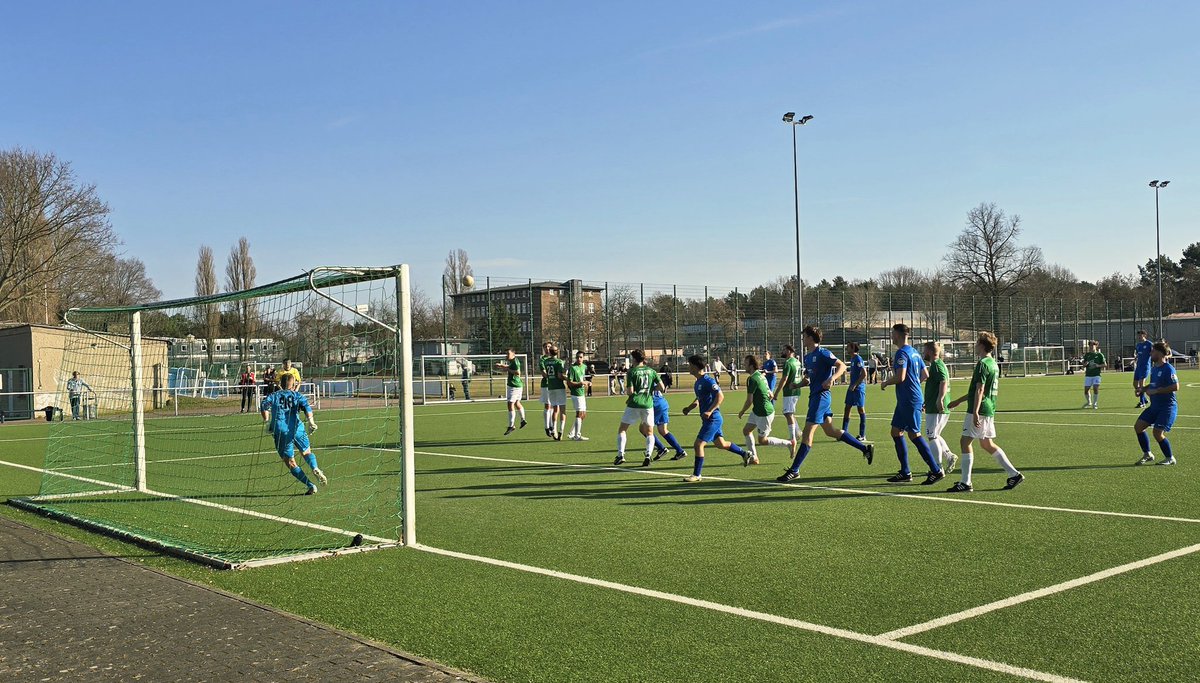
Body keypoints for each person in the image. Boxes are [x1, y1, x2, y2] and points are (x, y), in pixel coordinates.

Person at [774, 328, 875, 482]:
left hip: (821, 397)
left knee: (807, 434)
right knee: (831, 431)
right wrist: (797, 385)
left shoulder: (823, 353)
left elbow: (841, 366)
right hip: (814, 397)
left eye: (805, 337)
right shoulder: (808, 357)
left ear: (811, 338)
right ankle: (865, 449)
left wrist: (832, 378)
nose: (803, 339)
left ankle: (794, 470)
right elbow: (808, 378)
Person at [946, 332, 1023, 492]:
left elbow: (980, 390)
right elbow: (979, 390)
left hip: (980, 409)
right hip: (989, 408)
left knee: (965, 442)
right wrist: (959, 401)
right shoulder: (993, 364)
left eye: (976, 343)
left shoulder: (982, 364)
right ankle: (1014, 474)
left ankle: (965, 482)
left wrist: (974, 412)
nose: (975, 346)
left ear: (981, 345)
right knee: (987, 443)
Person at [878, 324, 944, 485]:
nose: (891, 337)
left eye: (892, 334)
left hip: (909, 400)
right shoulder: (914, 352)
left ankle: (936, 470)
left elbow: (900, 377)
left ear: (898, 335)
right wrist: (914, 384)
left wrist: (886, 382)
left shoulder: (902, 353)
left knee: (914, 434)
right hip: (907, 399)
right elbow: (925, 374)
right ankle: (905, 471)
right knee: (895, 432)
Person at [681, 354, 751, 481]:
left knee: (698, 445)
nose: (688, 367)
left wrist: (709, 411)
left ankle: (697, 475)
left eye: (690, 365)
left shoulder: (708, 381)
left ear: (696, 366)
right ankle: (744, 453)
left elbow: (720, 396)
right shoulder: (698, 382)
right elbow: (699, 399)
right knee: (721, 444)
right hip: (710, 419)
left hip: (713, 418)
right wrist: (689, 408)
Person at [259, 373, 326, 494]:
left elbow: (263, 406)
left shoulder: (273, 395)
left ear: (280, 384)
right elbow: (307, 408)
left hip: (281, 431)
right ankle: (314, 467)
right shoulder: (298, 395)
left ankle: (310, 485)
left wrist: (267, 421)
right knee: (306, 452)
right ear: (294, 384)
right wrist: (311, 422)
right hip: (297, 428)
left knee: (290, 462)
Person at [736, 355, 792, 465]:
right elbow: (770, 394)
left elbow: (749, 400)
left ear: (751, 366)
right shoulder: (761, 376)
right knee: (746, 430)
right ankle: (754, 458)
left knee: (762, 440)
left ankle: (788, 444)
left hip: (764, 413)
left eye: (746, 363)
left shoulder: (752, 379)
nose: (744, 365)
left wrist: (742, 411)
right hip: (758, 410)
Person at [614, 349, 662, 468]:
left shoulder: (632, 372)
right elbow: (662, 387)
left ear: (634, 359)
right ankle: (648, 455)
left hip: (634, 403)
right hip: (648, 404)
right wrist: (649, 391)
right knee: (650, 432)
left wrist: (632, 393)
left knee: (622, 429)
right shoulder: (651, 371)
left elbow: (630, 392)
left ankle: (621, 455)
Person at [1134, 341, 1179, 466]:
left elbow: (1176, 386)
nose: (1150, 353)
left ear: (1159, 353)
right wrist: (1142, 389)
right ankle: (1147, 454)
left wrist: (1157, 391)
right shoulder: (1154, 369)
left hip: (1167, 408)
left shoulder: (1168, 368)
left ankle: (1170, 458)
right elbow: (1153, 385)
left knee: (1157, 433)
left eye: (1152, 351)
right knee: (1138, 427)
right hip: (1154, 407)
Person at [923, 341, 957, 473]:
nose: (923, 353)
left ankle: (937, 466)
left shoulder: (936, 365)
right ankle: (949, 456)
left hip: (937, 407)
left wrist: (939, 400)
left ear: (930, 352)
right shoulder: (938, 364)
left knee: (931, 436)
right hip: (935, 405)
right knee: (935, 434)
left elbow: (943, 381)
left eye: (924, 350)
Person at [651, 383, 688, 460]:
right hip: (662, 403)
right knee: (663, 430)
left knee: (644, 429)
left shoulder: (641, 377)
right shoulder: (652, 375)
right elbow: (662, 387)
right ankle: (680, 451)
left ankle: (661, 448)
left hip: (655, 404)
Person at [841, 342, 867, 440]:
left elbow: (864, 373)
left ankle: (862, 435)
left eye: (848, 347)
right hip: (852, 388)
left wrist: (856, 384)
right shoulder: (852, 359)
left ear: (853, 348)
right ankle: (844, 433)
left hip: (858, 388)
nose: (846, 349)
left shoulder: (858, 359)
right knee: (847, 408)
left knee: (860, 409)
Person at [497, 349, 527, 435]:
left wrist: (507, 370)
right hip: (517, 385)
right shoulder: (514, 361)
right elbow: (510, 368)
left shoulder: (515, 362)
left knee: (510, 404)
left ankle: (511, 425)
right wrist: (502, 366)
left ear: (513, 354)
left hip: (514, 386)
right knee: (517, 403)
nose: (506, 355)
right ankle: (523, 420)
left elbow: (517, 372)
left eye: (508, 354)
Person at [566, 351, 591, 441]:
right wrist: (580, 383)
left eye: (580, 357)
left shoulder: (584, 367)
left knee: (583, 414)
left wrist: (587, 382)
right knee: (579, 413)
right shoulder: (573, 368)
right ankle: (577, 435)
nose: (579, 359)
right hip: (576, 393)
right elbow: (569, 382)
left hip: (582, 392)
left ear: (583, 358)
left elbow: (582, 378)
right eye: (577, 357)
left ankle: (572, 433)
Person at [545, 345, 568, 440]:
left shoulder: (546, 361)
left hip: (551, 387)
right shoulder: (559, 362)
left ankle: (553, 430)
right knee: (562, 410)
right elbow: (559, 375)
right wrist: (567, 378)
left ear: (550, 352)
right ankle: (561, 431)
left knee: (555, 409)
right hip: (559, 387)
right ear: (557, 352)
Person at [1081, 340, 1105, 409]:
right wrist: (1085, 364)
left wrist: (1097, 365)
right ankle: (1089, 402)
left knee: (1095, 388)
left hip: (1096, 375)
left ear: (1096, 346)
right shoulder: (1087, 355)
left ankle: (1095, 403)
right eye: (1090, 346)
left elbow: (1105, 364)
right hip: (1088, 375)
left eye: (1092, 345)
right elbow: (1084, 365)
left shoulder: (1099, 355)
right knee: (1086, 390)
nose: (1091, 347)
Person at [1133, 330, 1153, 408]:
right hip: (1138, 367)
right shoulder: (1138, 345)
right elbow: (1138, 353)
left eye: (1140, 335)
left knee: (1141, 384)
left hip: (1145, 367)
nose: (1138, 337)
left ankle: (1142, 402)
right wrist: (1135, 358)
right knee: (1135, 384)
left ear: (1144, 335)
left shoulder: (1149, 344)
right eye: (1138, 335)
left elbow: (1153, 353)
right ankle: (1144, 399)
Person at [537, 342, 554, 436]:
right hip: (546, 384)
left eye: (549, 347)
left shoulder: (554, 358)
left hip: (554, 385)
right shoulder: (542, 359)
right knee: (547, 405)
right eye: (545, 347)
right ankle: (547, 427)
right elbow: (544, 373)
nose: (547, 348)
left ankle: (551, 425)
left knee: (553, 406)